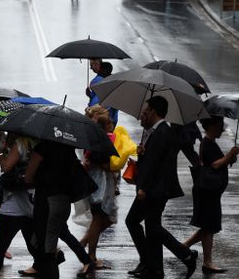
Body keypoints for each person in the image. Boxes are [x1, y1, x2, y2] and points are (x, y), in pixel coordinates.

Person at [125, 96, 198, 279]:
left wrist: (143, 187)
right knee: (151, 227)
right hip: (156, 187)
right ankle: (155, 269)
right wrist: (142, 153)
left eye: (145, 111)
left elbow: (155, 164)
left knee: (136, 222)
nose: (143, 114)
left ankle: (185, 255)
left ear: (153, 112)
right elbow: (152, 159)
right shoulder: (157, 131)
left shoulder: (162, 132)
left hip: (155, 189)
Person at [25, 141, 93, 279]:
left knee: (46, 250)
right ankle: (69, 259)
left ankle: (52, 267)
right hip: (63, 202)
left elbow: (28, 178)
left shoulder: (42, 147)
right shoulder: (68, 149)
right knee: (46, 244)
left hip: (47, 203)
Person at [183, 116, 238, 274]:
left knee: (209, 226)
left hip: (209, 191)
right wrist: (230, 155)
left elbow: (216, 162)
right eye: (220, 125)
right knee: (209, 226)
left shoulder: (209, 142)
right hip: (207, 190)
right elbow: (215, 164)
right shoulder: (207, 142)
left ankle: (184, 246)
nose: (222, 128)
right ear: (213, 126)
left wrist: (228, 159)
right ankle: (207, 261)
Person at [0, 134, 38, 279]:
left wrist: (1, 159)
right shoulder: (36, 143)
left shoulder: (20, 143)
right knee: (35, 248)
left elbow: (7, 167)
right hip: (31, 203)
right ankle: (51, 262)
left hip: (12, 206)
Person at [80, 106, 117, 269]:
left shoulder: (93, 136)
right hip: (98, 183)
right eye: (109, 122)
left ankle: (84, 242)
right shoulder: (99, 139)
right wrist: (110, 165)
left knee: (107, 218)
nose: (112, 124)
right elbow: (101, 162)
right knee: (98, 217)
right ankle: (91, 257)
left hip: (100, 182)